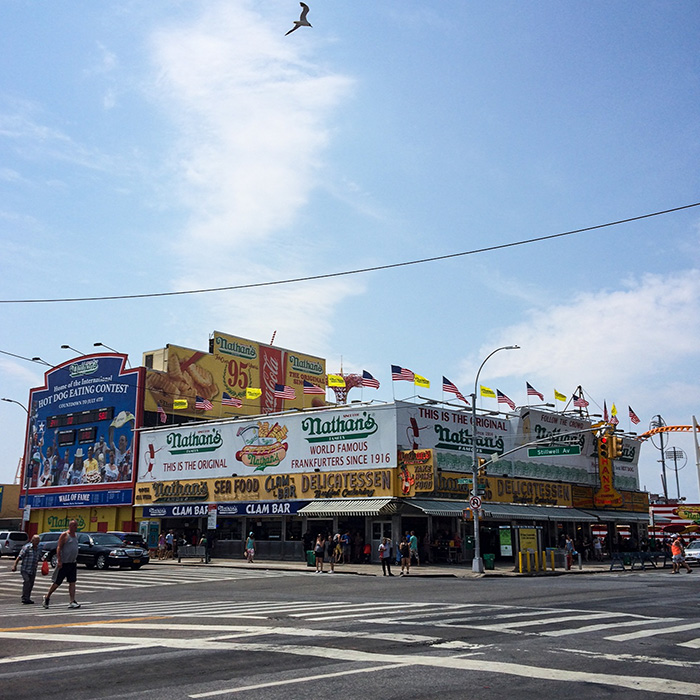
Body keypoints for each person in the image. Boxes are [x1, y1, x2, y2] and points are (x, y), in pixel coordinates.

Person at [43, 519, 81, 609]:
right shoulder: (65, 535)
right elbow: (59, 547)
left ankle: (72, 601)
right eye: (74, 525)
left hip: (72, 563)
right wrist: (59, 560)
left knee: (72, 582)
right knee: (57, 582)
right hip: (64, 563)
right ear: (70, 526)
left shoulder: (76, 536)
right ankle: (47, 597)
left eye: (76, 525)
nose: (76, 527)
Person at [12, 534, 42, 604]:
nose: (37, 542)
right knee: (27, 581)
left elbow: (39, 558)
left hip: (33, 569)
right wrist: (14, 565)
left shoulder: (38, 549)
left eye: (38, 541)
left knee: (31, 584)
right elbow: (19, 557)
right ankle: (24, 597)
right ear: (32, 540)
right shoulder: (27, 547)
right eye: (36, 541)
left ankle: (27, 598)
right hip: (25, 569)